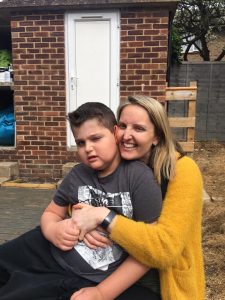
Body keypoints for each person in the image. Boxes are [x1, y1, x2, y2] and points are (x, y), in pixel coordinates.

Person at [0, 102, 162, 300]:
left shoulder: (139, 178)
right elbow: (51, 213)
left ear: (115, 133)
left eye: (96, 138)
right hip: (50, 253)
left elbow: (148, 250)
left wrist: (102, 292)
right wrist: (53, 230)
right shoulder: (78, 174)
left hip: (93, 277)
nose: (88, 149)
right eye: (80, 143)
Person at [70, 95, 205, 300]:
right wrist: (81, 217)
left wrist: (103, 218)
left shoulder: (183, 171)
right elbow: (86, 193)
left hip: (161, 282)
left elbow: (165, 247)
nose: (126, 136)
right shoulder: (118, 165)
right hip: (116, 272)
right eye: (123, 126)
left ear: (157, 136)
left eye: (139, 129)